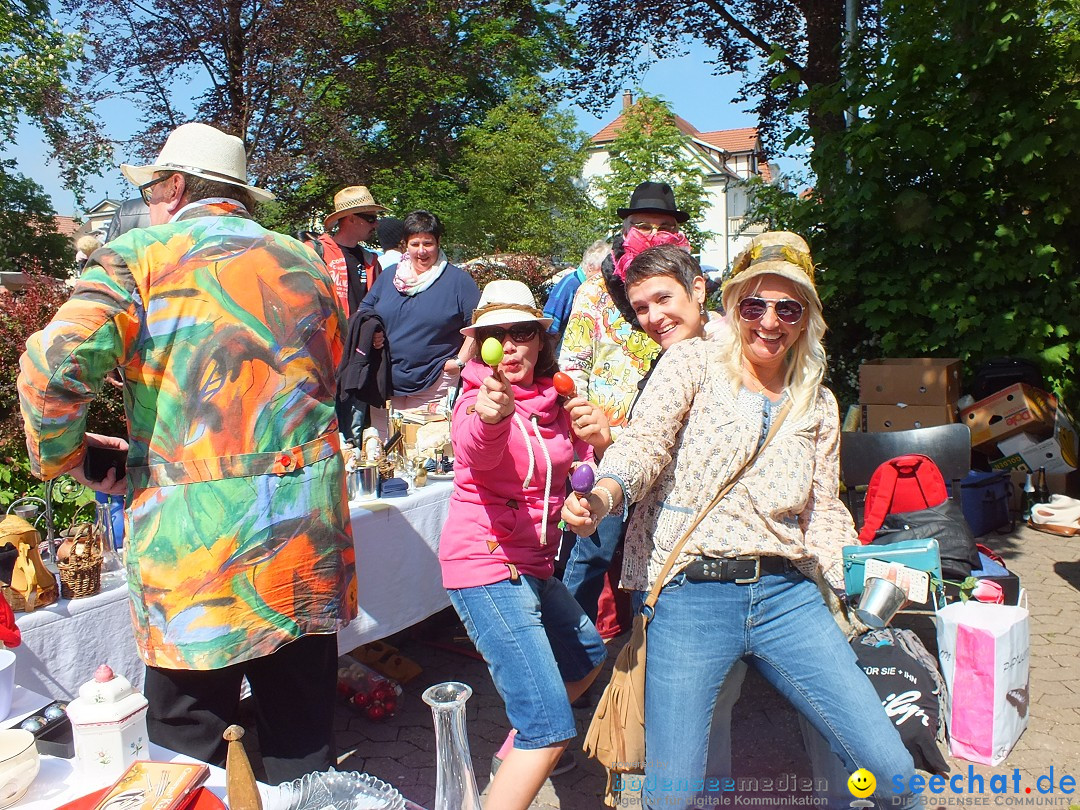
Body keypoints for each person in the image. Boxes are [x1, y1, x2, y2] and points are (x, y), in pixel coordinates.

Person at [17, 122, 357, 785]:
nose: (146, 200)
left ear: (174, 186)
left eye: (150, 187)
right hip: (303, 537)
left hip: (198, 549)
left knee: (190, 744)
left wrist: (71, 458)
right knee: (301, 732)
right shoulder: (309, 262)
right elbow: (326, 376)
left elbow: (50, 371)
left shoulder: (139, 256)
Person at [563, 232, 922, 810]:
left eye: (788, 307)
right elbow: (644, 446)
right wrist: (603, 496)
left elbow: (821, 508)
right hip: (690, 595)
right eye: (755, 305)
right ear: (734, 306)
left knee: (890, 769)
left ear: (806, 318)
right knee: (670, 795)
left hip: (788, 597)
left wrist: (853, 579)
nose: (769, 321)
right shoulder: (692, 362)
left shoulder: (819, 402)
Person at [440, 280, 608, 810]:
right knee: (548, 726)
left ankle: (512, 757)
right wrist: (493, 418)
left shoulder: (558, 400)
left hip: (535, 565)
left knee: (585, 657)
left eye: (521, 333)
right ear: (481, 343)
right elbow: (475, 450)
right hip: (485, 564)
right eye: (496, 335)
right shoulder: (477, 397)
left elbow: (581, 464)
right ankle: (520, 765)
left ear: (540, 339)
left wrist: (594, 457)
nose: (509, 346)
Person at [558, 180, 692, 629]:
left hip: (674, 447)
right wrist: (584, 424)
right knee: (592, 551)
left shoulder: (688, 293)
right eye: (642, 226)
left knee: (657, 559)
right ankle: (572, 658)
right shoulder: (594, 291)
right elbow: (572, 364)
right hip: (607, 448)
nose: (652, 234)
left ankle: (645, 658)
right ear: (624, 229)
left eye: (663, 227)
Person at [359, 210, 480, 430]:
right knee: (385, 451)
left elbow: (477, 326)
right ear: (405, 245)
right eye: (415, 244)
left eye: (428, 243)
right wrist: (373, 331)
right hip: (385, 382)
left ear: (438, 242)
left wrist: (459, 362)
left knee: (426, 452)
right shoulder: (388, 277)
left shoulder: (458, 281)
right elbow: (365, 311)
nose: (422, 251)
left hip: (434, 382)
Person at [312, 186, 389, 443]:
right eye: (370, 217)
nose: (375, 224)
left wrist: (377, 333)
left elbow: (377, 306)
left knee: (354, 433)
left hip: (360, 356)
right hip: (325, 359)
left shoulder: (371, 260)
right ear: (351, 218)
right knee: (327, 433)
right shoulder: (316, 253)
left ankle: (357, 479)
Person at [542, 239, 609, 354]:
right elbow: (550, 325)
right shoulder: (570, 285)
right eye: (602, 270)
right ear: (590, 267)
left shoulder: (591, 288)